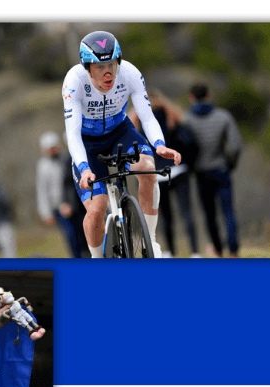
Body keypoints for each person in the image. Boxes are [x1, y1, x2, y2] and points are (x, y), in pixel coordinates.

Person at [62, 31, 181, 258]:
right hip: (87, 142)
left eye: (112, 64)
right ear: (87, 68)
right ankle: (97, 260)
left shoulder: (129, 73)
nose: (108, 72)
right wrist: (84, 169)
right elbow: (73, 134)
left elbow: (147, 117)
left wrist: (159, 145)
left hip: (120, 132)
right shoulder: (74, 82)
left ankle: (150, 240)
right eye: (100, 67)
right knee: (97, 209)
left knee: (147, 168)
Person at [129, 90, 200, 257]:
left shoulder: (138, 124)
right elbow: (189, 142)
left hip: (156, 175)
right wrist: (189, 165)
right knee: (187, 212)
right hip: (178, 170)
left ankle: (169, 252)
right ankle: (195, 252)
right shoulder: (172, 118)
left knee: (164, 216)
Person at [182, 83, 243, 257]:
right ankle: (233, 251)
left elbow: (184, 145)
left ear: (191, 98)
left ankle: (218, 250)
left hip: (201, 173)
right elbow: (235, 145)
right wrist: (230, 164)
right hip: (221, 169)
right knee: (228, 212)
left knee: (209, 215)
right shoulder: (223, 116)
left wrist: (191, 166)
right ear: (208, 95)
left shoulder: (187, 120)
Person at [35, 131, 87, 258]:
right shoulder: (42, 166)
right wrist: (45, 213)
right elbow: (42, 190)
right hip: (58, 206)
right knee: (70, 235)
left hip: (75, 202)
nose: (53, 151)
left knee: (83, 231)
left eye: (54, 147)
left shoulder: (66, 158)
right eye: (49, 149)